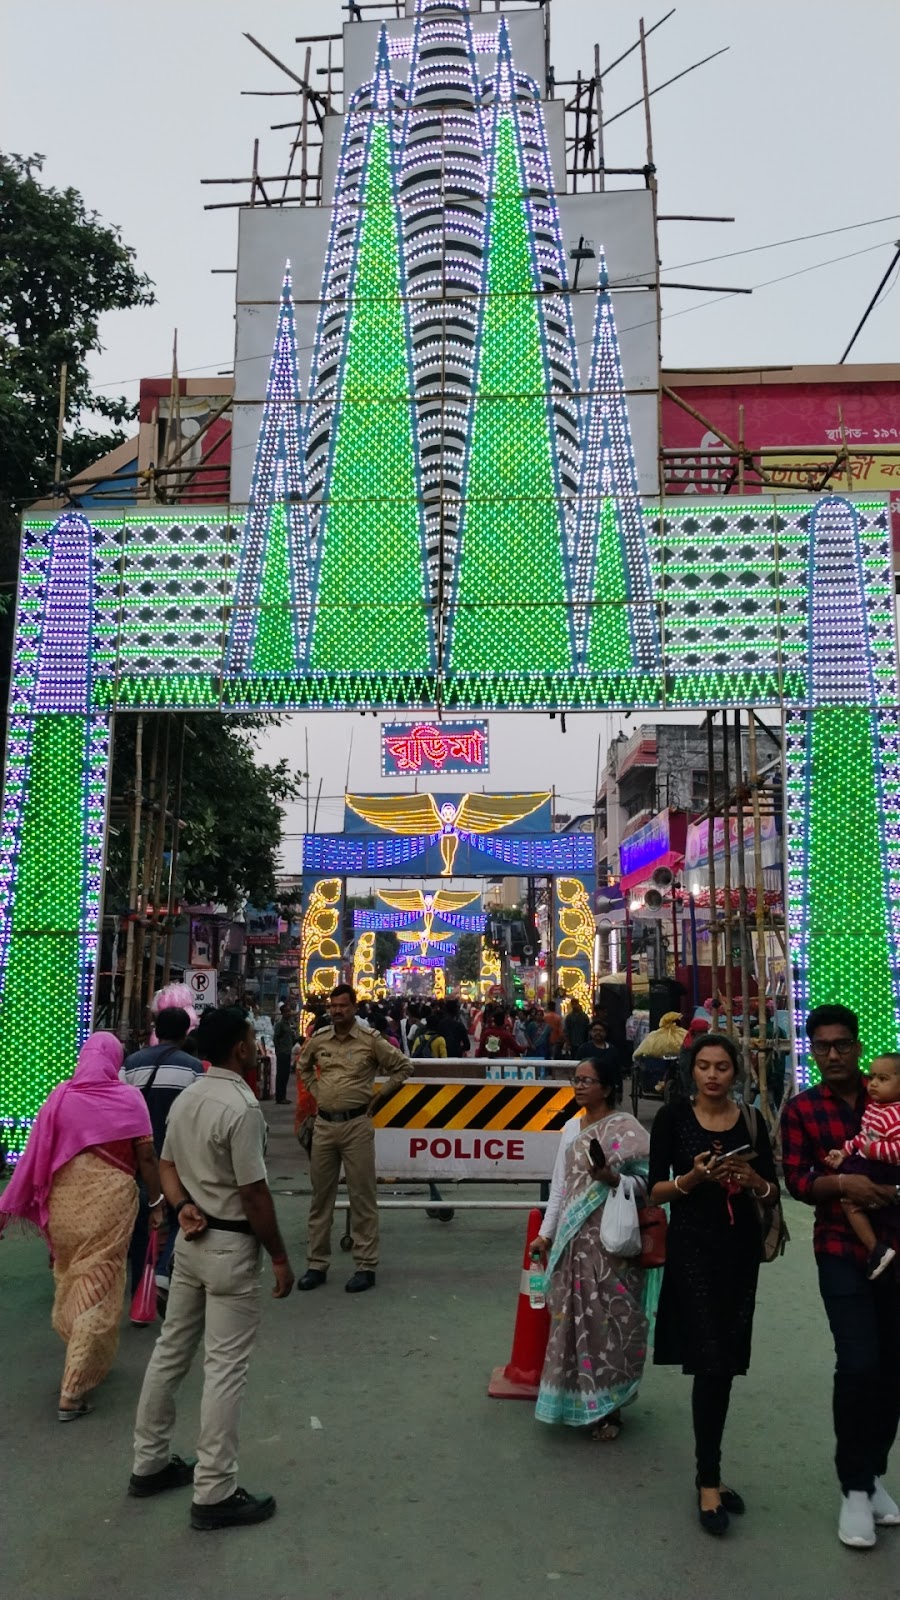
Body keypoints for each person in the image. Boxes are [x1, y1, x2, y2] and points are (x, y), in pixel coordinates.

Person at [130, 1007, 294, 1530]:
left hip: (192, 1242)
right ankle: (215, 1490)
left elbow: (166, 1164)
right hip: (230, 1247)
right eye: (250, 1039)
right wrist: (279, 1255)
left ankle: (149, 1463)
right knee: (224, 1368)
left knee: (171, 1352)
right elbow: (254, 1193)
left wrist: (181, 1206)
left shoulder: (190, 1097)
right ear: (241, 1048)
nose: (255, 1047)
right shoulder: (241, 1107)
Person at [648, 1033, 778, 1537]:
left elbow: (771, 1191)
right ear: (692, 1070)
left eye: (722, 1067)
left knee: (726, 1362)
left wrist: (752, 1181)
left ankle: (711, 1473)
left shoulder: (752, 1120)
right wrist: (693, 1179)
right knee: (711, 1363)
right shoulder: (673, 1117)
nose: (712, 1075)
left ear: (735, 1072)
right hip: (692, 1253)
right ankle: (708, 1480)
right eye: (703, 1066)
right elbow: (655, 1190)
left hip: (740, 1255)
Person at [782, 1004, 900, 1550]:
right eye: (823, 1046)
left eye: (843, 1044)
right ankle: (853, 1487)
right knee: (858, 1363)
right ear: (813, 1051)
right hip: (839, 1250)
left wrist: (889, 1191)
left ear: (858, 1046)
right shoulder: (803, 1109)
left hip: (896, 1251)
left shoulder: (891, 1099)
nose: (833, 1054)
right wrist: (845, 1186)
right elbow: (797, 1180)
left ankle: (872, 1474)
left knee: (892, 1367)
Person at [0, 1033, 163, 1421]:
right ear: (114, 1060)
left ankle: (82, 1353)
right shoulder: (129, 1098)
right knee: (101, 1283)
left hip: (63, 1203)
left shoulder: (61, 1097)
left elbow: (40, 1150)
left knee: (71, 1274)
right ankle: (72, 1390)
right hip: (111, 1201)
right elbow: (146, 1157)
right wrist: (157, 1204)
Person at [533, 1056, 659, 1439]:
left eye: (587, 1081)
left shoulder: (627, 1129)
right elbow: (560, 1187)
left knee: (612, 1323)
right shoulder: (571, 1129)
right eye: (576, 1079)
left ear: (607, 1087)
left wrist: (612, 1178)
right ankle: (576, 1401)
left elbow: (650, 1183)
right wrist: (546, 1234)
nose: (579, 1086)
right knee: (571, 1322)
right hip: (574, 1241)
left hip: (613, 1244)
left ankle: (610, 1407)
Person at [295, 983, 412, 1293]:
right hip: (323, 1126)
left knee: (362, 1197)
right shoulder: (320, 1039)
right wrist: (318, 1093)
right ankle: (316, 1264)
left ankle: (365, 1265)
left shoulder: (370, 1041)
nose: (337, 1011)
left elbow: (403, 1067)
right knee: (321, 1198)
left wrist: (379, 1096)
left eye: (343, 1006)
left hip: (357, 1126)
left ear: (354, 1008)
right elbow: (303, 1066)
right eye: (333, 1006)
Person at [123, 1005, 203, 1308]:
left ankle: (138, 1293)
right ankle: (161, 1274)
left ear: (156, 1031)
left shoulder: (131, 1064)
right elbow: (197, 1115)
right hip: (175, 1158)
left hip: (137, 1156)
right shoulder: (194, 1068)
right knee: (179, 1212)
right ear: (185, 1034)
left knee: (141, 1221)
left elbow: (119, 1107)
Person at [826, 1052, 900, 1279]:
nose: (873, 1083)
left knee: (851, 1201)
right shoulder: (875, 1108)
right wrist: (844, 1152)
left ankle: (877, 1249)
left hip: (887, 1170)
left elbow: (897, 1150)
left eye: (883, 1079)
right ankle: (877, 1249)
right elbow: (862, 1136)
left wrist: (871, 1150)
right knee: (850, 1199)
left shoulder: (895, 1115)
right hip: (871, 1164)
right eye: (872, 1077)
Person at [272, 1003, 297, 1105]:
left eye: (289, 1011)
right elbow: (276, 1038)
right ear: (283, 1013)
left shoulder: (287, 1023)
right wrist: (278, 1050)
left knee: (286, 1075)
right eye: (287, 1011)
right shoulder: (280, 1024)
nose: (289, 1013)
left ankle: (283, 1096)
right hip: (282, 1052)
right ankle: (279, 1097)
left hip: (287, 1051)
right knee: (281, 1075)